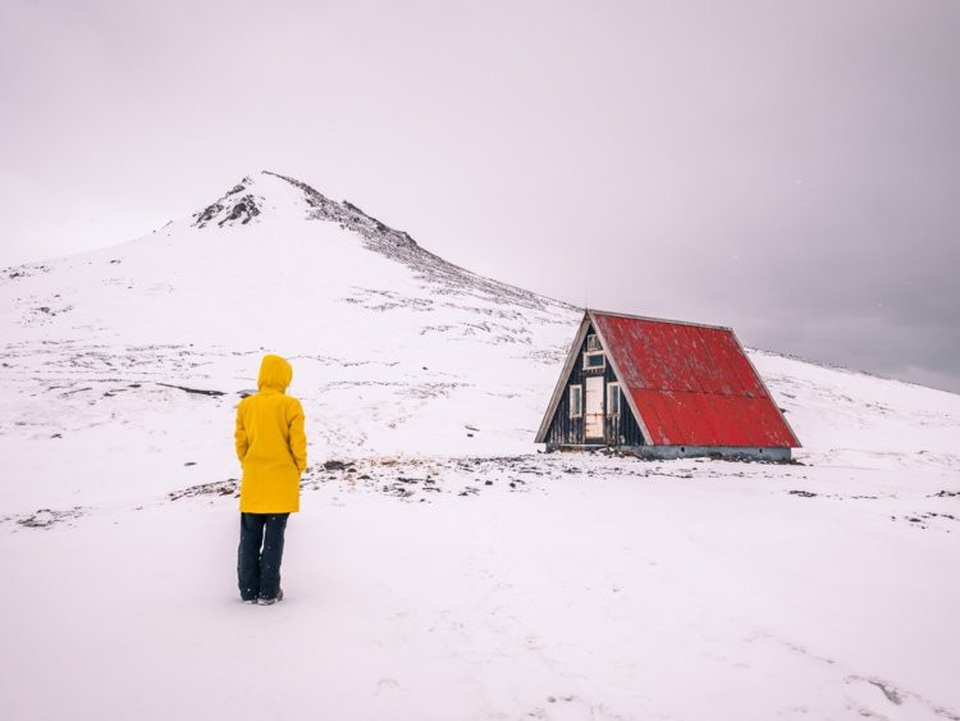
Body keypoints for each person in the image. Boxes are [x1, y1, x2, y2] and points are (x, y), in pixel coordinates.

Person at [234, 354, 307, 605]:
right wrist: (298, 467)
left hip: (254, 481)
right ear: (285, 377)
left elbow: (240, 444)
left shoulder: (246, 406)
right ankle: (268, 592)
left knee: (249, 538)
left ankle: (248, 592)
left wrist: (250, 464)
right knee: (274, 539)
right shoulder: (290, 405)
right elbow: (298, 443)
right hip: (282, 482)